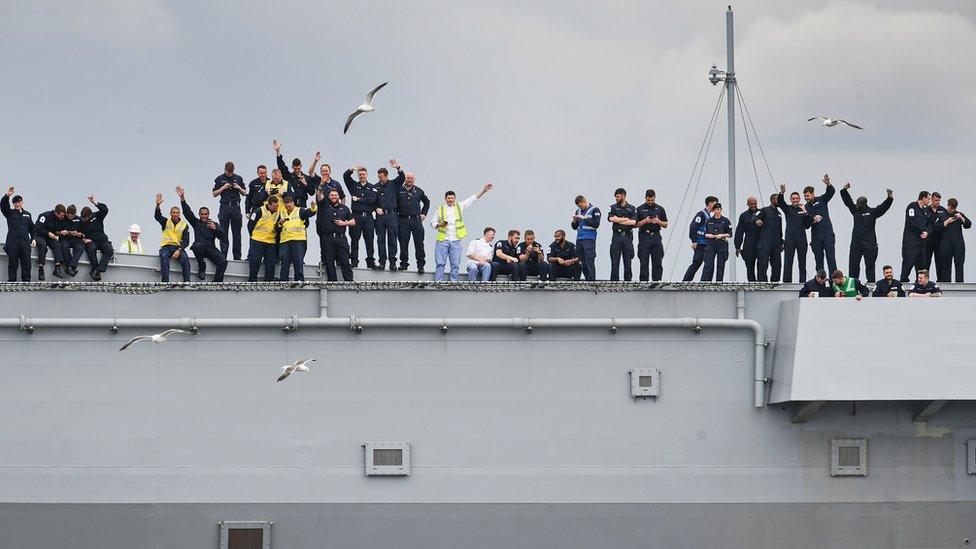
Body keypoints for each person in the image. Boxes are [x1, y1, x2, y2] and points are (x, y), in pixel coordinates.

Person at [431, 183, 493, 281]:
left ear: (454, 199)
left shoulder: (459, 207)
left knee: (455, 264)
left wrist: (484, 191)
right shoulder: (440, 209)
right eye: (448, 198)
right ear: (445, 199)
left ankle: (453, 282)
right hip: (443, 240)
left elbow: (472, 199)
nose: (450, 200)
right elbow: (432, 222)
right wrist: (440, 225)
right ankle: (438, 281)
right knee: (440, 263)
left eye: (452, 198)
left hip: (455, 240)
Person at [840, 182, 893, 282]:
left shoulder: (872, 212)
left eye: (858, 203)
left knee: (870, 265)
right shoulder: (855, 211)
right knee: (853, 265)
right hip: (856, 243)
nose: (856, 205)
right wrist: (844, 190)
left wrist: (889, 198)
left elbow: (882, 207)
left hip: (869, 244)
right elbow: (848, 202)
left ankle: (871, 284)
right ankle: (853, 284)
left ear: (864, 204)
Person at [177, 186, 228, 282]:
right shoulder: (196, 222)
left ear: (208, 214)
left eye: (206, 214)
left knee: (223, 262)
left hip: (211, 248)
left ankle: (217, 282)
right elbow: (187, 212)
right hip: (199, 248)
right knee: (197, 246)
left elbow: (222, 237)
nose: (204, 216)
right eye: (202, 214)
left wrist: (214, 229)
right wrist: (182, 198)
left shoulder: (214, 224)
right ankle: (201, 266)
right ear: (199, 214)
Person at [344, 165, 380, 269]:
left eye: (363, 174)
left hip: (368, 217)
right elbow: (345, 177)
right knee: (354, 240)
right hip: (356, 217)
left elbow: (372, 200)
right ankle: (354, 261)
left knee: (369, 240)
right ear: (358, 175)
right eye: (360, 175)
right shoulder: (354, 186)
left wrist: (358, 199)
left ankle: (370, 261)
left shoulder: (373, 187)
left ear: (367, 175)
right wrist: (351, 169)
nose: (362, 176)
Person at [316, 188, 355, 281]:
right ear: (329, 196)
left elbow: (353, 221)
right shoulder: (324, 206)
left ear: (339, 197)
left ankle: (349, 283)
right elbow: (319, 195)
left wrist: (343, 223)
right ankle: (332, 283)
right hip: (328, 238)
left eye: (336, 195)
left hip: (341, 238)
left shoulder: (345, 208)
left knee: (345, 262)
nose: (334, 197)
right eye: (332, 195)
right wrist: (322, 183)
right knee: (329, 263)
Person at [276, 194, 317, 281]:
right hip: (285, 241)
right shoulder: (282, 213)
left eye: (289, 206)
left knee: (298, 261)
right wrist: (280, 223)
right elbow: (277, 228)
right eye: (286, 206)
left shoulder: (300, 211)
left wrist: (313, 207)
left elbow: (310, 213)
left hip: (298, 240)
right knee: (284, 262)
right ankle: (283, 280)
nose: (288, 208)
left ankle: (299, 279)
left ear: (293, 203)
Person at [777, 185, 813, 283]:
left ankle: (802, 282)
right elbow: (780, 202)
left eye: (797, 198)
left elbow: (808, 225)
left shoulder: (804, 209)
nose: (795, 200)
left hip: (801, 239)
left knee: (802, 262)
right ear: (791, 200)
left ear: (799, 199)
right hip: (790, 239)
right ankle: (787, 282)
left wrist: (805, 212)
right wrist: (782, 193)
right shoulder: (788, 209)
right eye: (793, 199)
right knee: (788, 261)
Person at [373, 159, 405, 271]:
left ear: (386, 176)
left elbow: (402, 178)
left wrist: (398, 168)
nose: (380, 179)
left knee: (392, 239)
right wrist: (375, 208)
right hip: (380, 217)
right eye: (378, 177)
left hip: (392, 215)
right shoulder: (375, 186)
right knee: (380, 239)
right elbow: (372, 201)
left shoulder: (393, 184)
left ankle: (392, 262)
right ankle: (382, 262)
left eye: (381, 177)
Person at [396, 172, 430, 273]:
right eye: (407, 178)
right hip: (403, 220)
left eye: (411, 178)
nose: (409, 180)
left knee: (419, 244)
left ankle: (420, 265)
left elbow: (427, 202)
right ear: (405, 179)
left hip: (416, 220)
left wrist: (423, 213)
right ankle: (404, 264)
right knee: (403, 243)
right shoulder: (399, 190)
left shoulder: (418, 191)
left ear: (414, 180)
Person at [212, 161, 246, 260]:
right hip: (224, 207)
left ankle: (237, 257)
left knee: (237, 234)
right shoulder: (219, 179)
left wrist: (238, 187)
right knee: (223, 233)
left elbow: (244, 193)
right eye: (228, 172)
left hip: (235, 207)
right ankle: (223, 256)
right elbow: (214, 193)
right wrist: (223, 187)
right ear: (225, 170)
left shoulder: (238, 178)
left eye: (231, 172)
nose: (230, 174)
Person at [154, 192, 190, 283]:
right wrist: (157, 206)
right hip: (166, 247)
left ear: (179, 214)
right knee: (164, 257)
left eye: (177, 213)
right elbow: (157, 216)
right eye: (173, 213)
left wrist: (179, 250)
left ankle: (187, 282)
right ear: (170, 213)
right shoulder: (166, 221)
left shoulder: (184, 225)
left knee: (185, 259)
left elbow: (186, 241)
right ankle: (165, 282)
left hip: (178, 248)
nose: (175, 214)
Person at [1, 187, 35, 282]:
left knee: (27, 263)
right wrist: (7, 195)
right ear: (13, 204)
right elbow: (3, 206)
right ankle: (12, 282)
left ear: (22, 202)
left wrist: (33, 238)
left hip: (24, 243)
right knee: (13, 263)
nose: (17, 204)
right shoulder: (10, 213)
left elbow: (32, 228)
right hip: (13, 243)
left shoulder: (27, 214)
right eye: (15, 202)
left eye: (19, 202)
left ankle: (26, 282)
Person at [805, 174, 837, 274]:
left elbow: (831, 192)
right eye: (805, 196)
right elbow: (806, 225)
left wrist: (828, 184)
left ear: (813, 194)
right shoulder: (806, 207)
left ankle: (834, 282)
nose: (806, 198)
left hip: (827, 234)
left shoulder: (821, 200)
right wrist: (811, 220)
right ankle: (820, 282)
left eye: (808, 195)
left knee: (831, 259)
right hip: (816, 237)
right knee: (819, 262)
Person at [682, 196, 718, 281]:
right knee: (696, 263)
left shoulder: (709, 216)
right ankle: (685, 281)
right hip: (701, 244)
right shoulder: (701, 214)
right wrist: (694, 241)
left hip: (707, 244)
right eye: (715, 204)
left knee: (709, 265)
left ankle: (705, 282)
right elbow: (693, 226)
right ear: (710, 203)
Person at [635, 189, 668, 281]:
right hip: (644, 236)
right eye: (648, 200)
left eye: (652, 200)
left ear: (654, 198)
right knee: (644, 261)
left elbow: (665, 224)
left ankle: (657, 281)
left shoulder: (660, 209)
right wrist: (645, 220)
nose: (650, 202)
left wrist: (658, 221)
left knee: (657, 261)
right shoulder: (640, 209)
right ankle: (644, 282)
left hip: (656, 236)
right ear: (645, 198)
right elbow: (635, 225)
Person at [246, 195, 281, 282]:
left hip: (270, 242)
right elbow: (250, 225)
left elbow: (277, 227)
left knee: (271, 264)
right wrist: (254, 236)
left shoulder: (278, 213)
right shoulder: (258, 211)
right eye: (274, 206)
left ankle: (268, 283)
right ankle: (252, 282)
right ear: (269, 205)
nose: (276, 207)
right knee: (255, 262)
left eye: (277, 205)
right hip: (258, 241)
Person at [78, 196, 113, 281]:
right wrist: (84, 239)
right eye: (82, 217)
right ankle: (94, 268)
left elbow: (105, 210)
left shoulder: (97, 216)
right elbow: (78, 234)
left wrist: (95, 202)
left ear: (89, 215)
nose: (83, 219)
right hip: (90, 240)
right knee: (91, 248)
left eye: (85, 217)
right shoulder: (81, 222)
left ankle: (98, 270)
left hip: (102, 239)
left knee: (109, 250)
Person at [607, 188, 637, 281]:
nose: (616, 198)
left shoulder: (631, 208)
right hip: (616, 237)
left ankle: (627, 282)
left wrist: (618, 219)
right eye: (615, 197)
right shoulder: (613, 207)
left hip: (627, 237)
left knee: (627, 262)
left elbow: (633, 222)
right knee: (615, 262)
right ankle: (614, 282)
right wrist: (625, 219)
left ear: (623, 196)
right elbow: (611, 219)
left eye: (618, 196)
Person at [900, 191, 931, 282]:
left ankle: (919, 284)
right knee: (908, 263)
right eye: (928, 199)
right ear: (923, 198)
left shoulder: (925, 210)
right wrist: (921, 232)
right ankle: (903, 282)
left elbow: (929, 225)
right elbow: (911, 223)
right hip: (911, 243)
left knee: (922, 266)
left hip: (922, 244)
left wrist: (927, 233)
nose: (929, 201)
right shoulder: (912, 207)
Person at [936, 198, 970, 282]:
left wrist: (961, 218)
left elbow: (968, 225)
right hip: (946, 245)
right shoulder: (941, 215)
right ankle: (947, 286)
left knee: (959, 265)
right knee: (946, 267)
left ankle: (960, 285)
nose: (952, 210)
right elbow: (936, 229)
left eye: (954, 208)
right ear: (947, 206)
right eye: (951, 208)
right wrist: (947, 221)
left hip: (958, 245)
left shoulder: (959, 214)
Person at [274, 140, 313, 208]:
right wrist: (278, 153)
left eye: (298, 168)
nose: (297, 170)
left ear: (301, 166)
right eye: (295, 169)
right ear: (292, 167)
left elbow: (312, 192)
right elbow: (282, 167)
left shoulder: (307, 178)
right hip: (291, 204)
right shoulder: (289, 176)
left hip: (302, 205)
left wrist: (305, 184)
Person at [571, 195, 601, 281]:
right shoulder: (578, 211)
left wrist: (584, 218)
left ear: (584, 201)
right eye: (578, 206)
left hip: (589, 239)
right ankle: (587, 280)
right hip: (579, 239)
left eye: (581, 205)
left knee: (589, 261)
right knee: (582, 262)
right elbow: (574, 227)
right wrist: (574, 221)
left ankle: (591, 281)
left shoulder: (595, 210)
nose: (580, 207)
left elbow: (596, 224)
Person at [754, 194, 783, 282]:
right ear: (772, 200)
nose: (779, 201)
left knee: (777, 265)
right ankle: (762, 284)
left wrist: (781, 242)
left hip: (776, 243)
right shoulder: (764, 210)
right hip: (765, 243)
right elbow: (755, 216)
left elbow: (780, 229)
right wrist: (757, 220)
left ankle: (775, 284)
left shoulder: (779, 213)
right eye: (778, 199)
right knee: (763, 264)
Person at [701, 202, 732, 282]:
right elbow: (705, 233)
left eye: (718, 209)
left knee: (720, 265)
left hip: (722, 243)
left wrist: (721, 235)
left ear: (721, 210)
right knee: (709, 264)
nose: (717, 211)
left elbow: (730, 234)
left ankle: (719, 283)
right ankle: (707, 282)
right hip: (711, 243)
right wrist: (708, 235)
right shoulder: (709, 221)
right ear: (713, 211)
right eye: (715, 209)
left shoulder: (726, 221)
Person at [34, 204, 67, 279]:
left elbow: (56, 231)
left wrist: (60, 233)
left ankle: (57, 268)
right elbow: (38, 228)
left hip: (50, 237)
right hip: (40, 236)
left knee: (57, 245)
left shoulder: (59, 220)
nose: (63, 217)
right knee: (42, 245)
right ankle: (41, 270)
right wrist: (48, 233)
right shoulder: (45, 216)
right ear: (56, 213)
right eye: (61, 215)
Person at [733, 197, 761, 282]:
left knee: (761, 267)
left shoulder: (762, 213)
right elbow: (739, 231)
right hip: (749, 244)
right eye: (751, 204)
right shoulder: (743, 216)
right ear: (748, 204)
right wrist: (737, 246)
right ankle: (752, 285)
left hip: (761, 243)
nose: (753, 205)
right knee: (749, 267)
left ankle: (761, 285)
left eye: (755, 203)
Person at [924, 192, 950, 276]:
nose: (938, 202)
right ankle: (926, 281)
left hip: (939, 241)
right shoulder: (925, 210)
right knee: (926, 263)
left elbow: (946, 224)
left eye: (939, 200)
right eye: (936, 200)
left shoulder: (942, 210)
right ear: (931, 200)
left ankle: (941, 282)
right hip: (928, 241)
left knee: (940, 263)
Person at [58, 204, 86, 277]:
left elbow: (84, 232)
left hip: (75, 239)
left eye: (73, 216)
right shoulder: (62, 218)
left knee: (80, 248)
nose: (71, 218)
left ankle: (70, 267)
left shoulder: (78, 219)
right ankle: (71, 267)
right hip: (64, 238)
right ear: (66, 213)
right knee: (64, 246)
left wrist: (80, 234)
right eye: (70, 216)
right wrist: (61, 232)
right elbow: (56, 231)